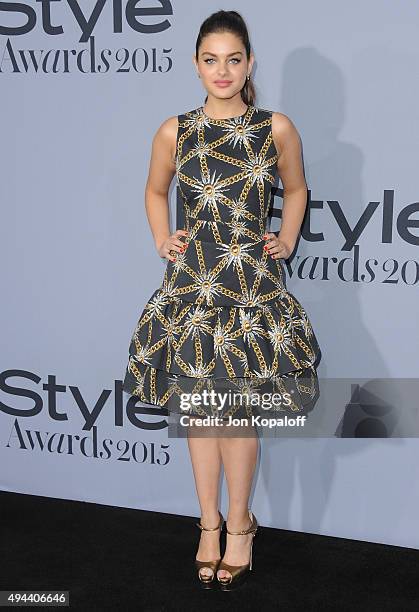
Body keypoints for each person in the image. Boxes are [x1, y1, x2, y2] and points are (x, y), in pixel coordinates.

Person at [123, 9, 321, 591]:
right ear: (195, 65)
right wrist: (163, 237)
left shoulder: (275, 128)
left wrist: (286, 235)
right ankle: (207, 524)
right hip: (193, 288)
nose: (222, 70)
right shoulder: (175, 130)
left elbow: (297, 187)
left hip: (251, 290)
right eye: (211, 59)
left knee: (236, 414)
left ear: (250, 63)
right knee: (200, 414)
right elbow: (156, 190)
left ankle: (240, 528)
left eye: (234, 59)